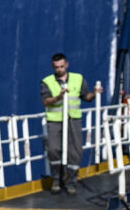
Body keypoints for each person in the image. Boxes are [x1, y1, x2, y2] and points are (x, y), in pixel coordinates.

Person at [41, 53, 101, 195]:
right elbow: (46, 101)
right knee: (53, 150)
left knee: (75, 151)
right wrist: (59, 97)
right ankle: (57, 179)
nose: (59, 69)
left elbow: (86, 96)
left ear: (67, 64)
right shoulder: (47, 81)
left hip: (74, 119)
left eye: (62, 66)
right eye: (56, 67)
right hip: (55, 120)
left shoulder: (78, 78)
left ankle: (72, 182)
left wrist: (95, 93)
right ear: (53, 67)